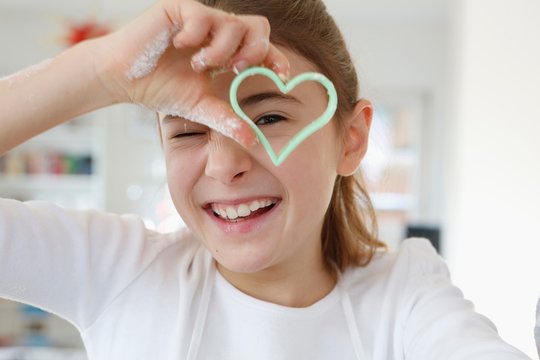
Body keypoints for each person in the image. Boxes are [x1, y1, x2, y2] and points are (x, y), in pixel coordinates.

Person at [0, 0, 531, 359]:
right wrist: (101, 72)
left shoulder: (407, 296)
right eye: (187, 130)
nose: (223, 164)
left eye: (270, 118)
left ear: (350, 138)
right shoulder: (115, 270)